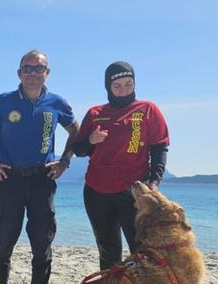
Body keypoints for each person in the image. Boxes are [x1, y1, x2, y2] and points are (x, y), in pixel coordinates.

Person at [0, 50, 78, 284]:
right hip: (10, 179)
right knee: (4, 240)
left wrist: (64, 161)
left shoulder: (57, 103)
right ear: (19, 73)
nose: (32, 74)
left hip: (43, 179)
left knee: (42, 241)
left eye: (38, 68)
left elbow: (76, 132)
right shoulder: (4, 101)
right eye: (27, 69)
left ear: (47, 73)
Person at [71, 61, 169, 270]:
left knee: (141, 250)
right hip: (97, 191)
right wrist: (91, 140)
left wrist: (154, 181)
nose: (123, 90)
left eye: (128, 84)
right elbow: (78, 149)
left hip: (133, 192)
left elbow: (159, 147)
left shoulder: (148, 110)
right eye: (117, 86)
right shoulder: (96, 112)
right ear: (108, 87)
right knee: (108, 250)